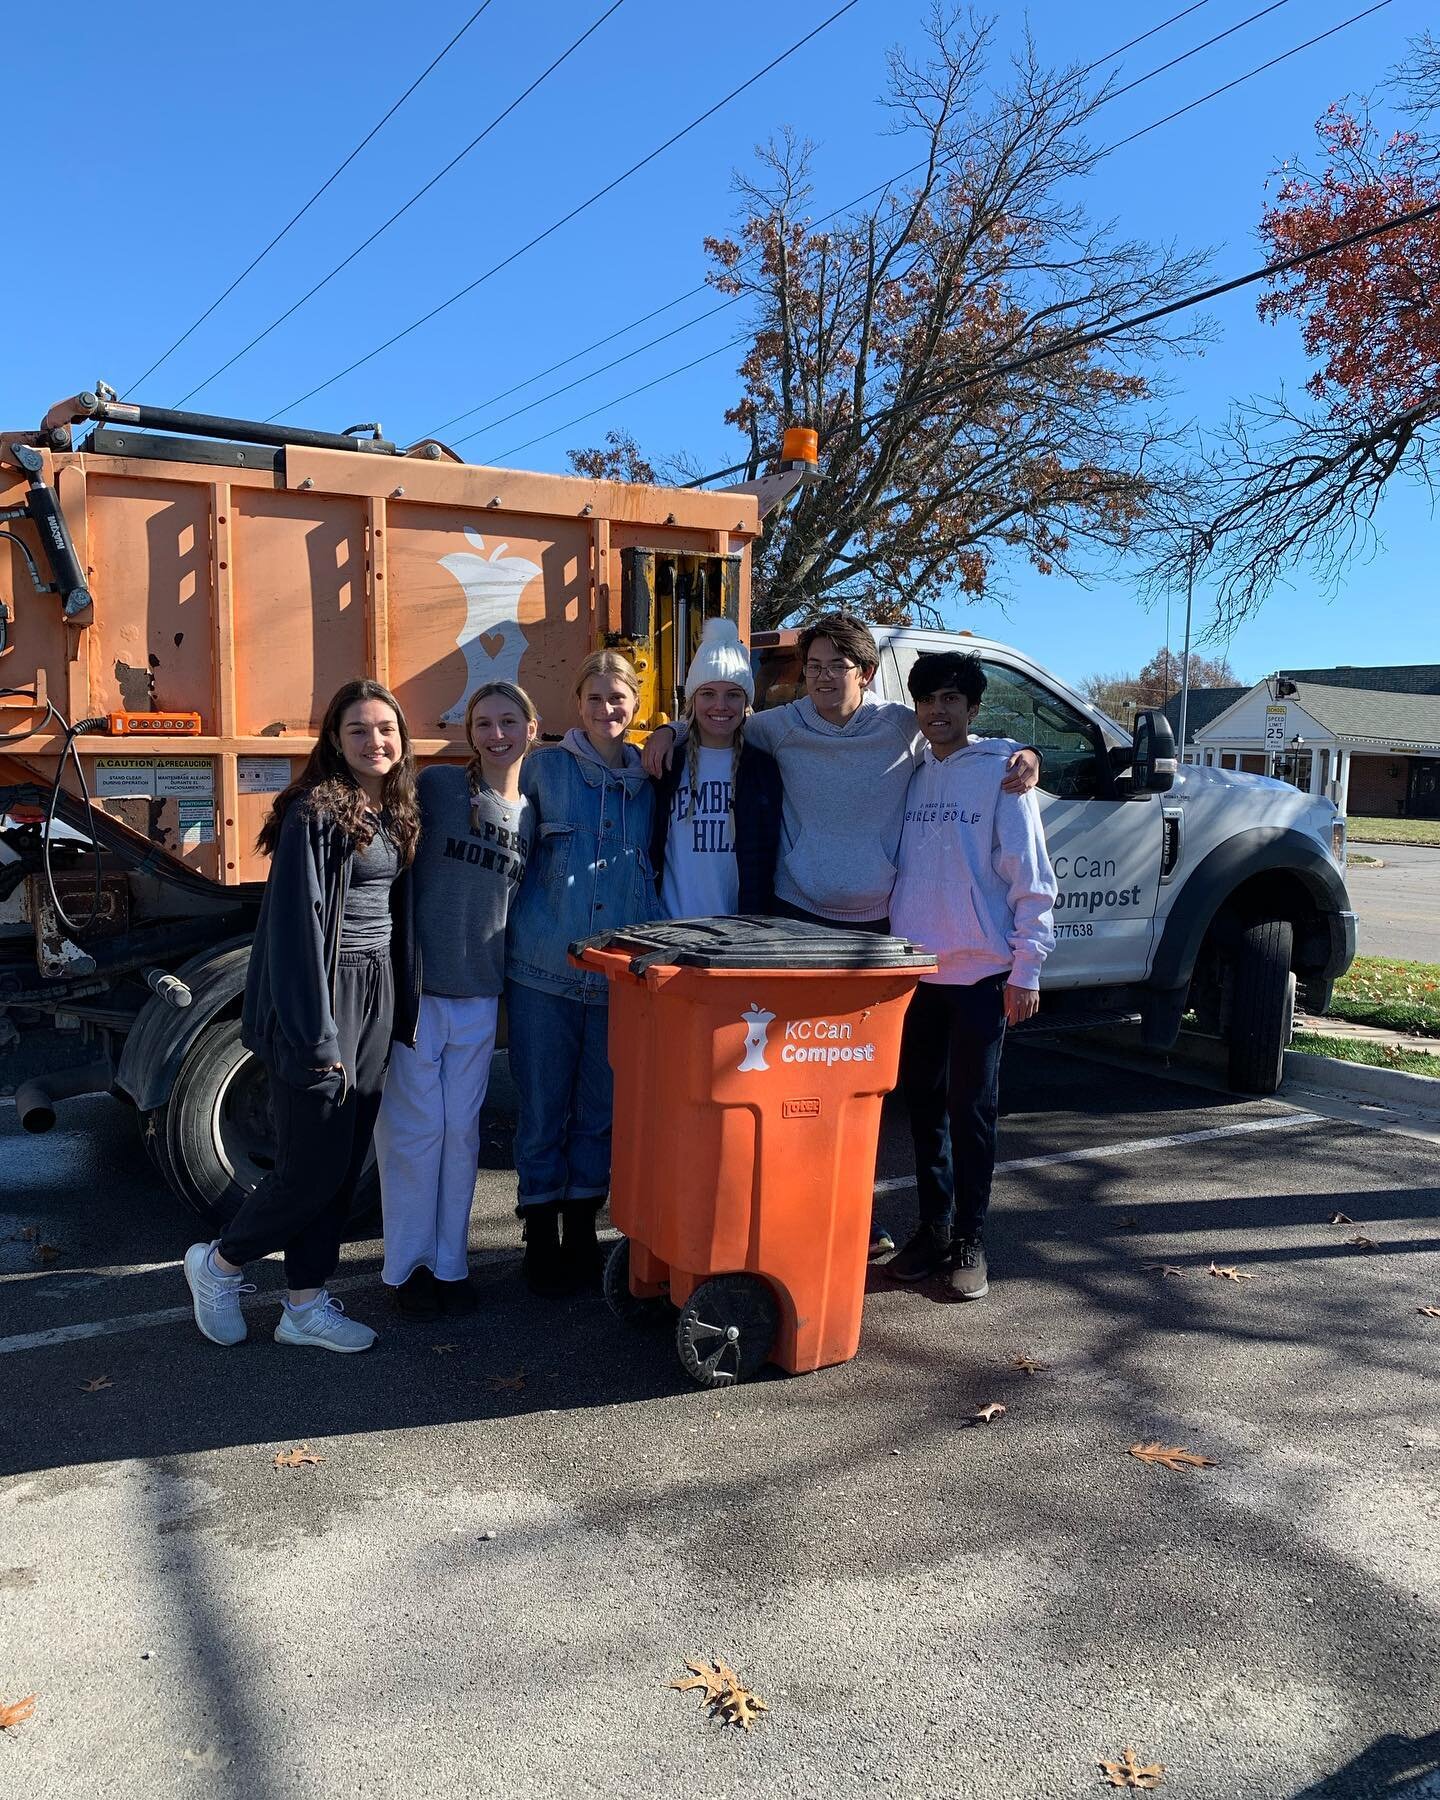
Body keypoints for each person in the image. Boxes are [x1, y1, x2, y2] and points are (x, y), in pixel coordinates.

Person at [643, 610, 1040, 1254]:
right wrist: (666, 728)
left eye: (839, 666)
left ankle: (857, 1212)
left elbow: (961, 735)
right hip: (798, 924)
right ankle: (791, 1212)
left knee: (861, 1086)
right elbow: (718, 722)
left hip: (879, 936)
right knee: (794, 1079)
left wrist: (1027, 754)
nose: (825, 679)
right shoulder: (778, 728)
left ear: (868, 671)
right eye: (815, 667)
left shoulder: (901, 727)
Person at [183, 680, 421, 1353]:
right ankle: (221, 1264)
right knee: (308, 1168)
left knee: (343, 1168)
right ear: (334, 741)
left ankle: (305, 1305)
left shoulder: (395, 809)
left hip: (375, 996)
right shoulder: (316, 814)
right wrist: (317, 1036)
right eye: (359, 730)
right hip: (323, 995)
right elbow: (293, 931)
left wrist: (399, 1007)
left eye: (386, 729)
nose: (376, 741)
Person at [886, 650, 1057, 1301]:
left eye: (953, 699)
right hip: (915, 975)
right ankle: (931, 1229)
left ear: (973, 709)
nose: (939, 710)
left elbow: (1033, 880)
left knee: (970, 1111)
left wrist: (1026, 968)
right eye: (928, 698)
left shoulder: (1003, 776)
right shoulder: (907, 772)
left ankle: (969, 1237)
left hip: (982, 976)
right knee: (923, 1111)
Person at [375, 681, 537, 1322]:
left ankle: (450, 1265)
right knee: (415, 1135)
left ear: (531, 726)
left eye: (508, 722)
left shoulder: (533, 812)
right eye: (484, 723)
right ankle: (407, 1268)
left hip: (478, 995)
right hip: (420, 991)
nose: (497, 734)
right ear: (468, 732)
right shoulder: (441, 789)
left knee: (461, 1136)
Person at [505, 649, 660, 1294]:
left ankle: (581, 1230)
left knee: (600, 1109)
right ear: (578, 704)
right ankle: (539, 1236)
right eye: (595, 699)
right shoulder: (542, 770)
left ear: (636, 705)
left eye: (619, 699)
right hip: (543, 966)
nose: (607, 710)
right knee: (543, 1106)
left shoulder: (653, 777)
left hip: (617, 974)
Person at [651, 617, 782, 918]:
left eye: (733, 695)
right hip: (667, 929)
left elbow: (770, 859)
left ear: (746, 701)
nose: (720, 705)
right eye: (708, 693)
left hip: (736, 934)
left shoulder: (763, 769)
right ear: (693, 700)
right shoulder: (668, 763)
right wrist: (669, 731)